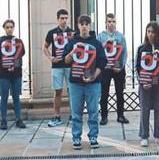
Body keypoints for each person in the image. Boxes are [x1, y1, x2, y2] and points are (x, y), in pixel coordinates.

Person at [63, 15, 107, 150]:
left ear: (90, 25)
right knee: (76, 112)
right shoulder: (71, 42)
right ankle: (76, 137)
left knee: (93, 111)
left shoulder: (97, 43)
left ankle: (93, 136)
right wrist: (72, 52)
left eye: (86, 24)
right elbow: (65, 61)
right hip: (75, 83)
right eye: (81, 23)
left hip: (93, 83)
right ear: (78, 25)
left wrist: (95, 76)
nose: (84, 26)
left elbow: (102, 62)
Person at [136, 21, 159, 147]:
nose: (151, 34)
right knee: (144, 110)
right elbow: (137, 68)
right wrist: (142, 82)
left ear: (157, 33)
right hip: (145, 84)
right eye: (148, 31)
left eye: (153, 32)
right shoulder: (141, 48)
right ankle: (144, 136)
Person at [43, 9, 74, 127]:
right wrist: (50, 58)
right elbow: (44, 47)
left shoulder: (73, 33)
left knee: (73, 91)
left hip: (70, 66)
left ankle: (73, 115)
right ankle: (56, 116)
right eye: (62, 18)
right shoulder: (52, 32)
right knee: (57, 91)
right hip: (56, 66)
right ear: (58, 19)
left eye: (66, 18)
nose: (64, 20)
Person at [97, 13, 129, 125]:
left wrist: (121, 66)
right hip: (105, 69)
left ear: (116, 23)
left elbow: (124, 53)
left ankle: (120, 115)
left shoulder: (120, 36)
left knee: (119, 92)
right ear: (105, 23)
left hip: (118, 69)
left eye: (113, 21)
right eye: (109, 21)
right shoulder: (100, 36)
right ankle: (104, 116)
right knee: (104, 93)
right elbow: (98, 53)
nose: (111, 23)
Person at [0, 19, 26, 130]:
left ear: (13, 28)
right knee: (4, 97)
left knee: (16, 97)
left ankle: (18, 119)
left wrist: (13, 65)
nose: (9, 29)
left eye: (11, 27)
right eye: (7, 27)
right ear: (4, 28)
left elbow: (20, 56)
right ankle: (3, 120)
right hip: (3, 74)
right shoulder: (0, 41)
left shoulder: (18, 41)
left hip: (16, 73)